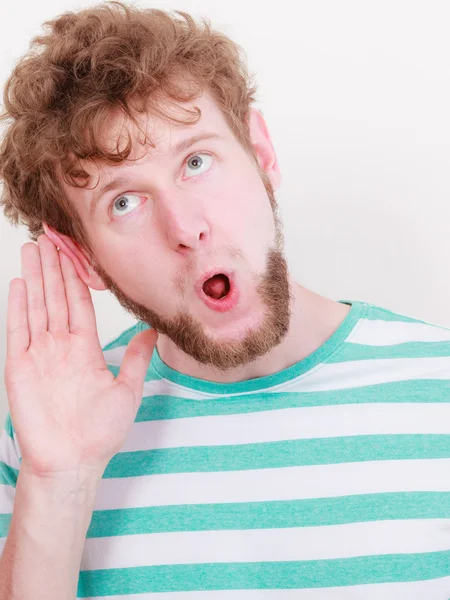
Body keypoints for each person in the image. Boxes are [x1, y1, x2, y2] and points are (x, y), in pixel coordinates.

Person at [0, 2, 449, 598]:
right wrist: (62, 480)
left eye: (195, 161)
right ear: (84, 258)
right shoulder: (45, 441)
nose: (185, 227)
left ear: (262, 155)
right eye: (124, 202)